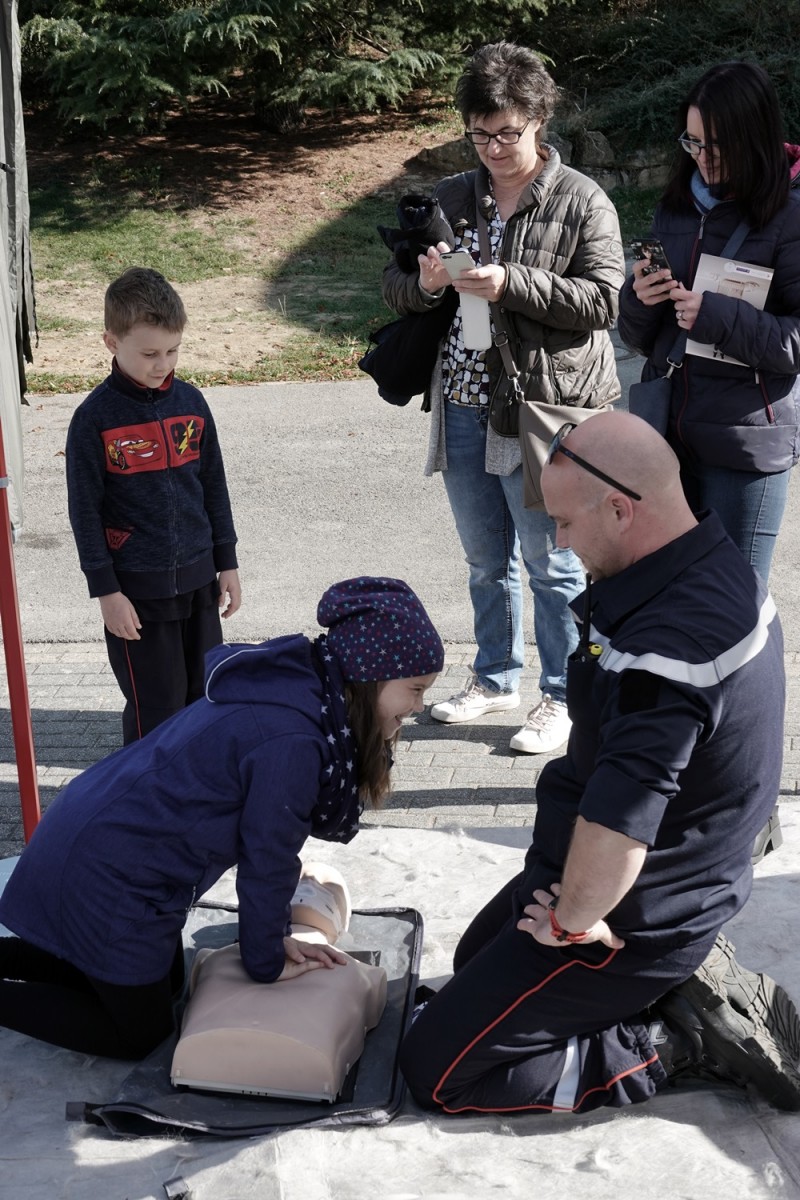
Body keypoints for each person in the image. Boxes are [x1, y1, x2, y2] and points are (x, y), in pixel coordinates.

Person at [400, 413, 800, 1116]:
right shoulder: (701, 558)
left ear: (620, 508)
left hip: (635, 916)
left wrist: (573, 917)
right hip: (632, 868)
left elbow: (622, 825)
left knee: (437, 1069)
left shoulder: (669, 653)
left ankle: (668, 1043)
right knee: (471, 965)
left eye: (563, 522)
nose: (556, 541)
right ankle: (649, 993)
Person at [0, 577, 443, 1060]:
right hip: (109, 869)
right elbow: (267, 859)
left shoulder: (304, 690)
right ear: (368, 675)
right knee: (139, 1035)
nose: (419, 707)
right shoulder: (294, 742)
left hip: (109, 845)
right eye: (414, 689)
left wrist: (273, 937)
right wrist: (267, 960)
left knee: (164, 985)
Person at [382, 41, 625, 755]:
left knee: (553, 563)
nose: (492, 148)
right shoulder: (456, 195)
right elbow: (393, 289)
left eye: (507, 134)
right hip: (461, 397)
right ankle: (495, 677)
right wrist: (426, 286)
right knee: (485, 558)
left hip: (545, 407)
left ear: (539, 122)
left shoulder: (581, 198)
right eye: (479, 133)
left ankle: (563, 695)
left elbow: (604, 301)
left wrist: (510, 283)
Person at [618, 61, 800, 584]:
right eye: (693, 142)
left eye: (716, 145)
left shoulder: (790, 217)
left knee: (735, 609)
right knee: (674, 601)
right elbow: (636, 338)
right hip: (667, 439)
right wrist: (640, 299)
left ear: (755, 138)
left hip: (745, 448)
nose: (702, 158)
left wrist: (716, 316)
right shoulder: (674, 209)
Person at [65, 266, 242, 744]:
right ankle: (147, 803)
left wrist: (226, 562)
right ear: (110, 342)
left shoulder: (192, 402)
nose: (162, 364)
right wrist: (106, 591)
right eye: (148, 354)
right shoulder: (93, 419)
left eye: (172, 350)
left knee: (205, 697)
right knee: (155, 711)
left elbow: (212, 485)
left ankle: (199, 795)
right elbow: (84, 512)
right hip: (137, 597)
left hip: (200, 583)